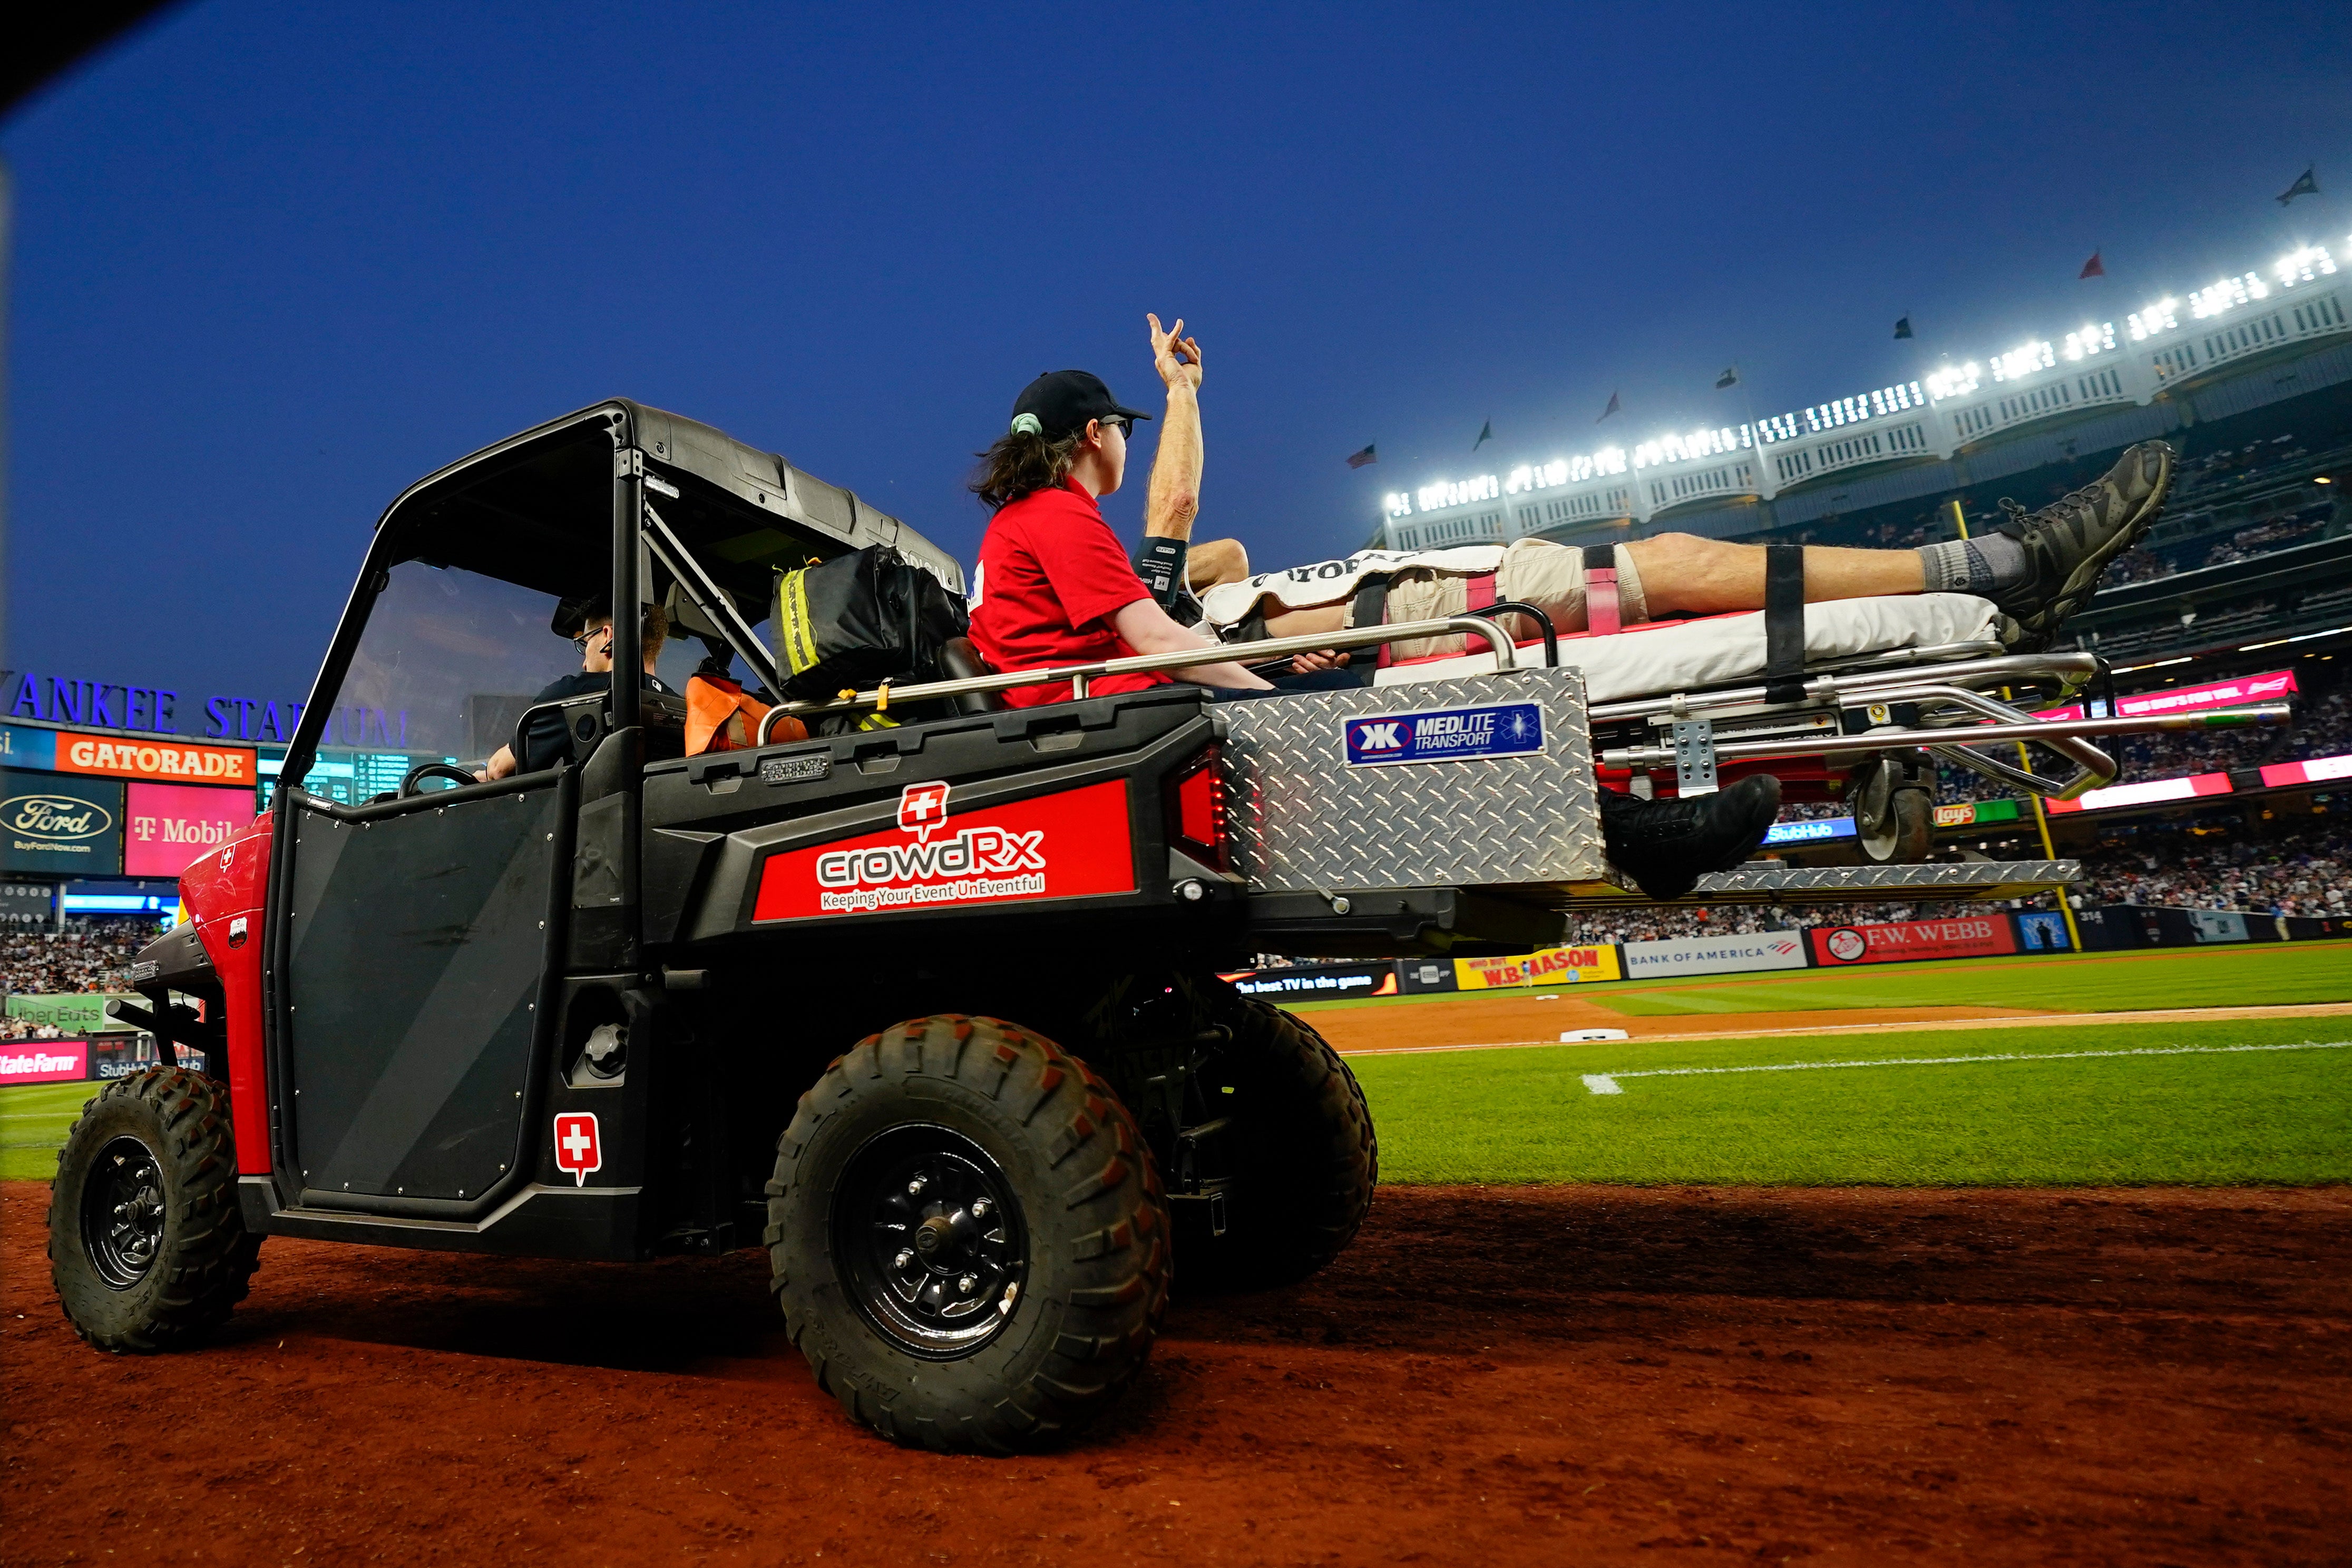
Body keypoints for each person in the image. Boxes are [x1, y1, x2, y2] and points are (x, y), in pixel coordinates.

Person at [1205, 442, 2178, 661]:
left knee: (1683, 578)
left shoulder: (1160, 599)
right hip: (1419, 621)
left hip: (1436, 590)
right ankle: (2005, 565)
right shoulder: (1145, 641)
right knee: (1677, 566)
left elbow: (1221, 554)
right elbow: (1185, 533)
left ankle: (1996, 577)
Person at [965, 317, 1350, 707]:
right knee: (1339, 690)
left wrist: (1273, 663)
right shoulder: (1056, 515)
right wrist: (1271, 699)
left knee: (1324, 681)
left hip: (1092, 698)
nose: (1126, 443)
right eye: (1123, 428)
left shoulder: (1023, 515)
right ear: (1095, 433)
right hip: (1107, 707)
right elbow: (1156, 640)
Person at [481, 598, 674, 780]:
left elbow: (499, 769)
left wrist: (483, 774)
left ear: (608, 636)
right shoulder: (680, 707)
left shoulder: (575, 694)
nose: (584, 663)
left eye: (586, 643)